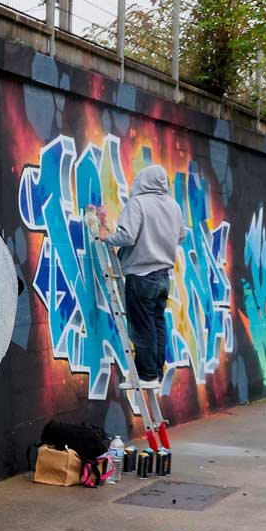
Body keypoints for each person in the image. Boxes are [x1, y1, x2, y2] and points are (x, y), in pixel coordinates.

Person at [84, 165, 182, 387]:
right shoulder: (173, 206)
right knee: (157, 324)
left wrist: (106, 236)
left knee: (142, 326)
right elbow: (182, 235)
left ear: (142, 180)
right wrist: (160, 240)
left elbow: (127, 236)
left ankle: (147, 376)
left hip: (141, 275)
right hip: (163, 276)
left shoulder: (138, 203)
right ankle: (155, 372)